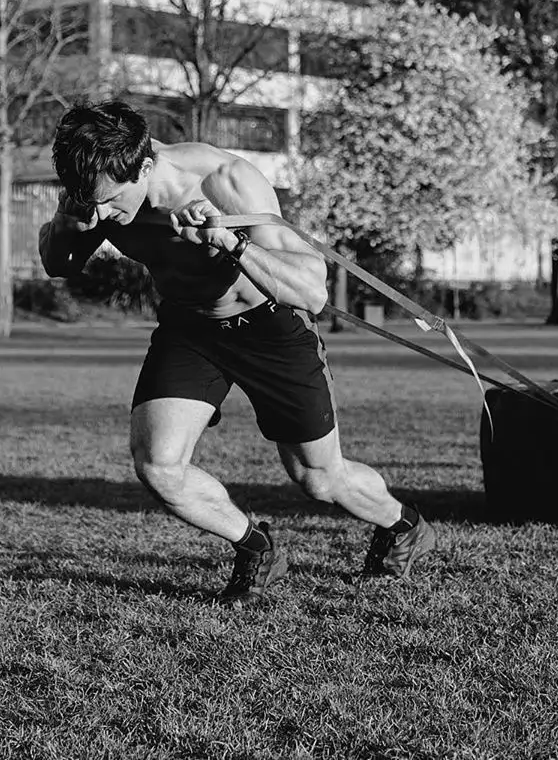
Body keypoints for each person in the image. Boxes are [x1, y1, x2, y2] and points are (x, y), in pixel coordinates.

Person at [38, 99, 434, 604]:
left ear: (143, 165)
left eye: (112, 202)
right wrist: (72, 225)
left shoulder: (224, 180)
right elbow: (59, 263)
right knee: (159, 465)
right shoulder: (91, 183)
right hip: (190, 328)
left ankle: (403, 525)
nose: (102, 214)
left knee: (317, 478)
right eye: (89, 202)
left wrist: (232, 243)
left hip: (270, 327)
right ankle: (256, 546)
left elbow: (313, 292)